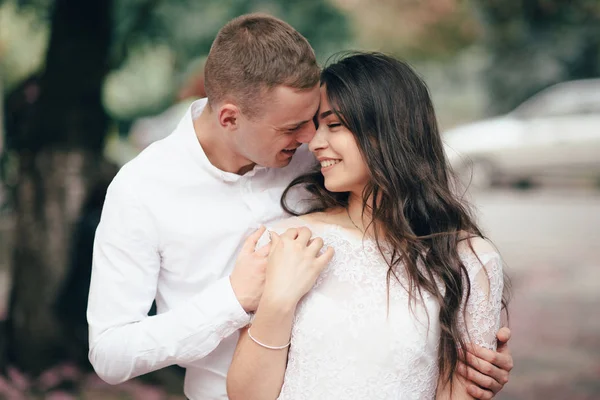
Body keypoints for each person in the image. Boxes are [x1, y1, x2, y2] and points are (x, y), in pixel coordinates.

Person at [87, 14, 513, 400]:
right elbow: (110, 354)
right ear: (230, 119)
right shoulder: (142, 190)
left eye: (321, 120)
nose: (311, 138)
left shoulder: (324, 159)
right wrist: (233, 299)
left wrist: (470, 371)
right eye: (294, 127)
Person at [226, 52, 511, 400]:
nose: (315, 143)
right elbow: (246, 395)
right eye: (316, 127)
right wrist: (278, 301)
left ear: (386, 130)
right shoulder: (292, 240)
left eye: (333, 125)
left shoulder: (469, 261)